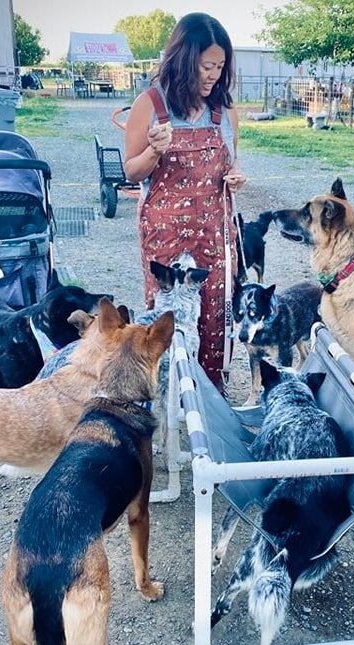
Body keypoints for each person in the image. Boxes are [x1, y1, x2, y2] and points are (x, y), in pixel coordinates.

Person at [124, 12, 246, 391]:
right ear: (183, 59)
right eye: (206, 65)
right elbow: (131, 172)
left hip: (214, 232)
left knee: (214, 316)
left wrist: (235, 177)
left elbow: (231, 162)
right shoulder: (150, 105)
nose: (213, 75)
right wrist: (154, 153)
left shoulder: (223, 111)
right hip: (165, 235)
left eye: (220, 66)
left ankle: (211, 395)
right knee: (168, 316)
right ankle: (168, 393)